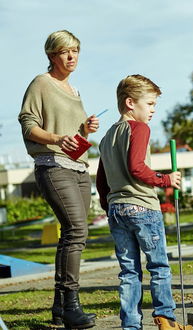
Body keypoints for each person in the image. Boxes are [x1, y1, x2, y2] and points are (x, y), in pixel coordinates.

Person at [96, 74, 193, 330]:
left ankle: (130, 325)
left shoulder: (107, 137)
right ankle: (165, 318)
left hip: (117, 209)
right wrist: (166, 179)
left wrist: (110, 207)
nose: (152, 110)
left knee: (129, 271)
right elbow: (137, 167)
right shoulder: (139, 128)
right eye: (149, 104)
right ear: (131, 103)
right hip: (142, 206)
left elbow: (101, 180)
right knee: (158, 265)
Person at [18, 30, 98, 329]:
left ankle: (59, 306)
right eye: (65, 51)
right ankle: (71, 306)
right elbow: (28, 124)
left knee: (74, 233)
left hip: (78, 169)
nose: (72, 56)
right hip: (52, 166)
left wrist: (85, 129)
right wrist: (55, 137)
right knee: (76, 231)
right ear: (52, 55)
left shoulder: (74, 91)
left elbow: (73, 134)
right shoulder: (41, 83)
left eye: (76, 50)